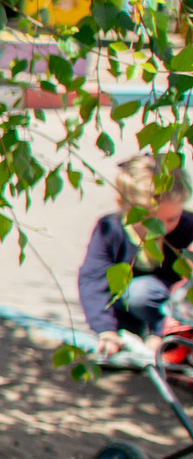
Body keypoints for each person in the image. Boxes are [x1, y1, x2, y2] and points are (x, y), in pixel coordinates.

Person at [80, 152, 193, 355]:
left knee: (144, 292)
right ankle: (132, 334)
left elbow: (185, 290)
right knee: (134, 292)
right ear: (127, 208)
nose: (163, 229)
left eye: (172, 219)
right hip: (125, 310)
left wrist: (162, 333)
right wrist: (105, 330)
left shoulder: (187, 228)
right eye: (152, 221)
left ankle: (167, 339)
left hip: (172, 312)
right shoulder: (109, 229)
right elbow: (93, 281)